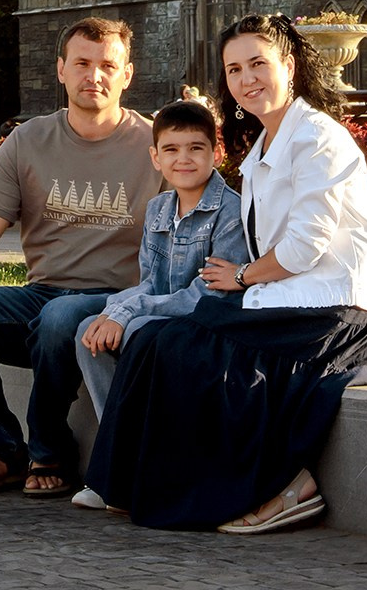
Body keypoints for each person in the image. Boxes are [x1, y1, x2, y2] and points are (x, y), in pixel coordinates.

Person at [86, 12, 367, 534]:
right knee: (161, 340)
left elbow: (304, 246)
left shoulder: (318, 137)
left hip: (339, 312)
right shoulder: (262, 149)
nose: (247, 79)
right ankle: (131, 485)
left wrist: (244, 278)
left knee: (186, 347)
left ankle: (289, 486)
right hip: (286, 300)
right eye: (233, 70)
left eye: (258, 64)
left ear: (288, 66)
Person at [0, 16, 163, 501]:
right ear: (61, 70)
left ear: (127, 74)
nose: (94, 75)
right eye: (82, 64)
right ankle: (3, 451)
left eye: (107, 66)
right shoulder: (27, 142)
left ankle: (50, 449)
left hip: (118, 304)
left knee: (61, 317)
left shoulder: (156, 144)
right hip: (43, 296)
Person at [69, 99, 248, 509]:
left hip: (208, 323)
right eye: (171, 149)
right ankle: (120, 461)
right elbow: (149, 280)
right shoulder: (158, 209)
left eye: (196, 148)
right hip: (162, 319)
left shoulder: (231, 211)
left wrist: (129, 313)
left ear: (216, 153)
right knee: (88, 330)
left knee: (134, 330)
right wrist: (114, 310)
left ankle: (134, 467)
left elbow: (210, 293)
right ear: (155, 157)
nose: (183, 159)